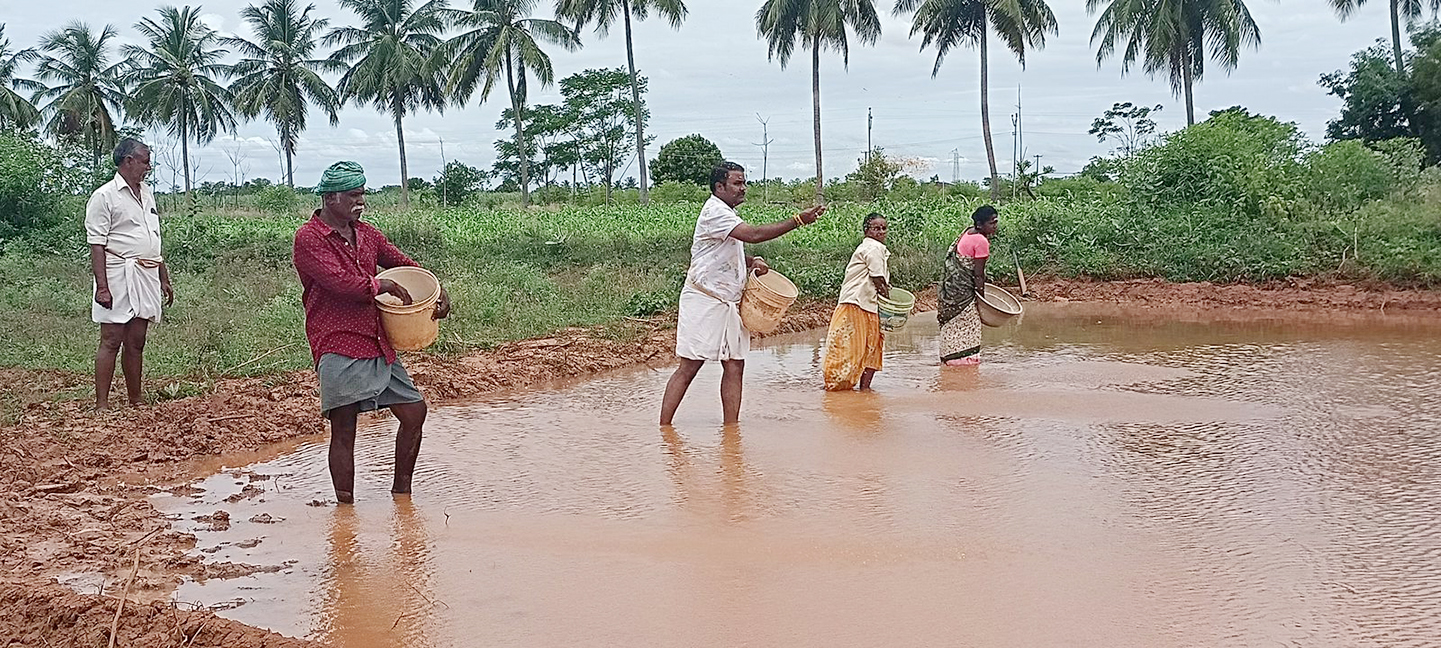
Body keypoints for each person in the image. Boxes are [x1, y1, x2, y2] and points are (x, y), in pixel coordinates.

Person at [292, 161, 451, 504]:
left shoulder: (366, 233)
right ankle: (345, 508)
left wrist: (437, 290)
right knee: (344, 428)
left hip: (376, 340)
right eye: (353, 195)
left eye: (362, 194)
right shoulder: (309, 238)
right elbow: (341, 284)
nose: (360, 202)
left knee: (414, 412)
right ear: (330, 198)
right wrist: (385, 284)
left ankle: (402, 495)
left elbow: (404, 263)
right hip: (337, 340)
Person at [658, 161, 825, 425]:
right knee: (690, 366)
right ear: (719, 187)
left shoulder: (726, 213)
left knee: (735, 364)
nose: (743, 188)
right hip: (704, 299)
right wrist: (798, 220)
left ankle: (731, 431)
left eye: (743, 183)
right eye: (737, 183)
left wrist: (750, 261)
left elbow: (723, 250)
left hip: (727, 302)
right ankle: (664, 428)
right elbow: (754, 234)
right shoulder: (715, 212)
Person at [86, 138, 173, 410]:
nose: (149, 167)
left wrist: (163, 275)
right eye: (145, 161)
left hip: (146, 272)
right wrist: (103, 287)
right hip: (117, 274)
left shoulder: (146, 192)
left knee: (137, 339)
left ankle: (135, 399)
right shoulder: (105, 196)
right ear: (128, 161)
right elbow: (97, 243)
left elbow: (152, 237)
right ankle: (102, 404)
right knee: (111, 339)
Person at [822, 212, 891, 391]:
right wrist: (890, 303)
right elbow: (878, 279)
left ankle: (862, 390)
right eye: (876, 228)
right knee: (851, 348)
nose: (881, 232)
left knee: (869, 347)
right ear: (867, 230)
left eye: (884, 228)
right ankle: (840, 388)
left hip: (866, 304)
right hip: (856, 303)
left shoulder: (876, 248)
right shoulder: (872, 248)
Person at [938, 205, 999, 365]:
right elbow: (978, 275)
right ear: (980, 225)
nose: (995, 226)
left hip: (953, 290)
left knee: (951, 326)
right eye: (991, 223)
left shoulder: (967, 233)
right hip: (965, 294)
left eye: (995, 222)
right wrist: (982, 300)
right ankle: (966, 363)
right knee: (970, 324)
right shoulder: (981, 241)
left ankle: (949, 360)